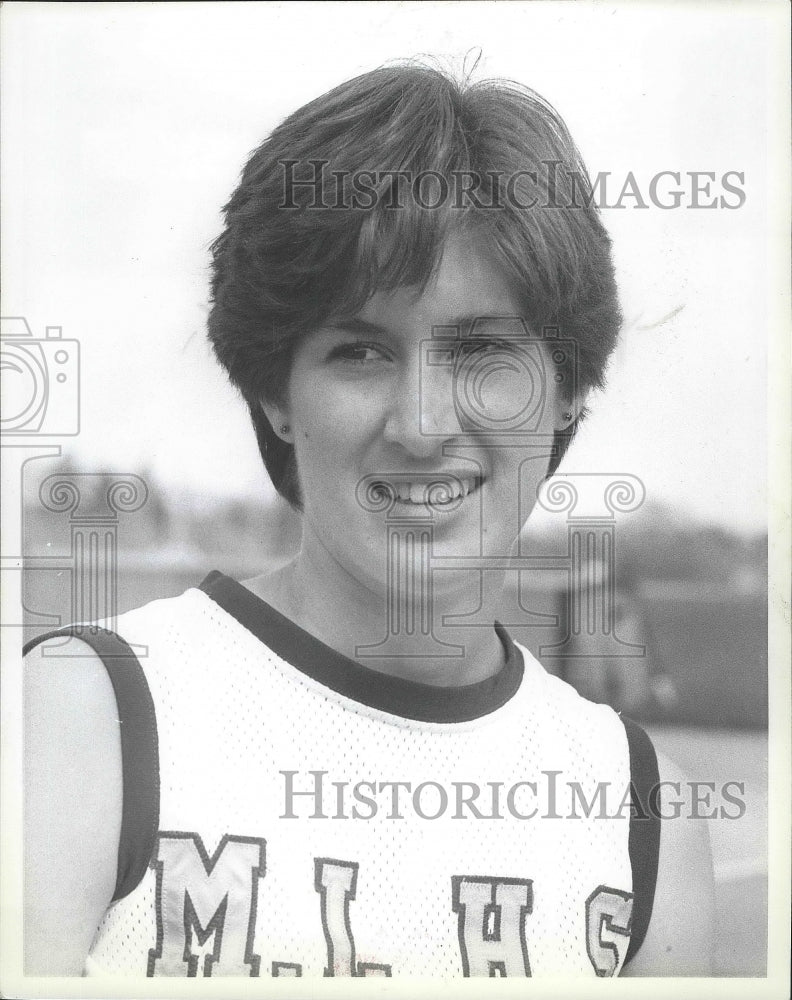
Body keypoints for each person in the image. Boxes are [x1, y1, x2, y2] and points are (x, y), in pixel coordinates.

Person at [23, 63, 714, 978]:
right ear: (276, 392)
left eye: (484, 352)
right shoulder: (83, 717)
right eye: (360, 351)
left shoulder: (643, 812)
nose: (425, 426)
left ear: (566, 391)